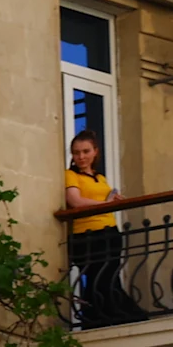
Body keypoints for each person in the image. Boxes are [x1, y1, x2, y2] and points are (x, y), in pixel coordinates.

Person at [62, 130, 127, 326]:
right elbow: (75, 200)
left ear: (95, 152)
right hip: (87, 234)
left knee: (111, 276)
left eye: (85, 151)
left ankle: (115, 315)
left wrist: (112, 200)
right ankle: (97, 319)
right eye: (76, 152)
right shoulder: (70, 174)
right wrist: (105, 204)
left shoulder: (101, 177)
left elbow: (97, 199)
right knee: (97, 276)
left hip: (109, 230)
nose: (81, 157)